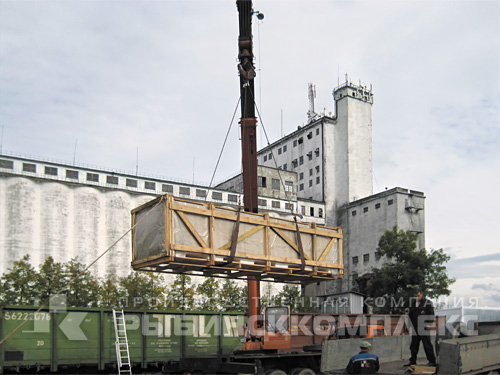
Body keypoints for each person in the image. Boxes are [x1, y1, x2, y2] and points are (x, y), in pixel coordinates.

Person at [406, 289, 437, 366]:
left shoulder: (427, 303)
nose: (416, 297)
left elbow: (431, 315)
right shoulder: (413, 304)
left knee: (427, 345)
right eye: (415, 296)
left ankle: (432, 361)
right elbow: (410, 316)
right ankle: (412, 361)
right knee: (413, 345)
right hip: (415, 328)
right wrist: (409, 326)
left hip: (424, 327)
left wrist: (429, 324)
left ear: (422, 295)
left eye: (418, 295)